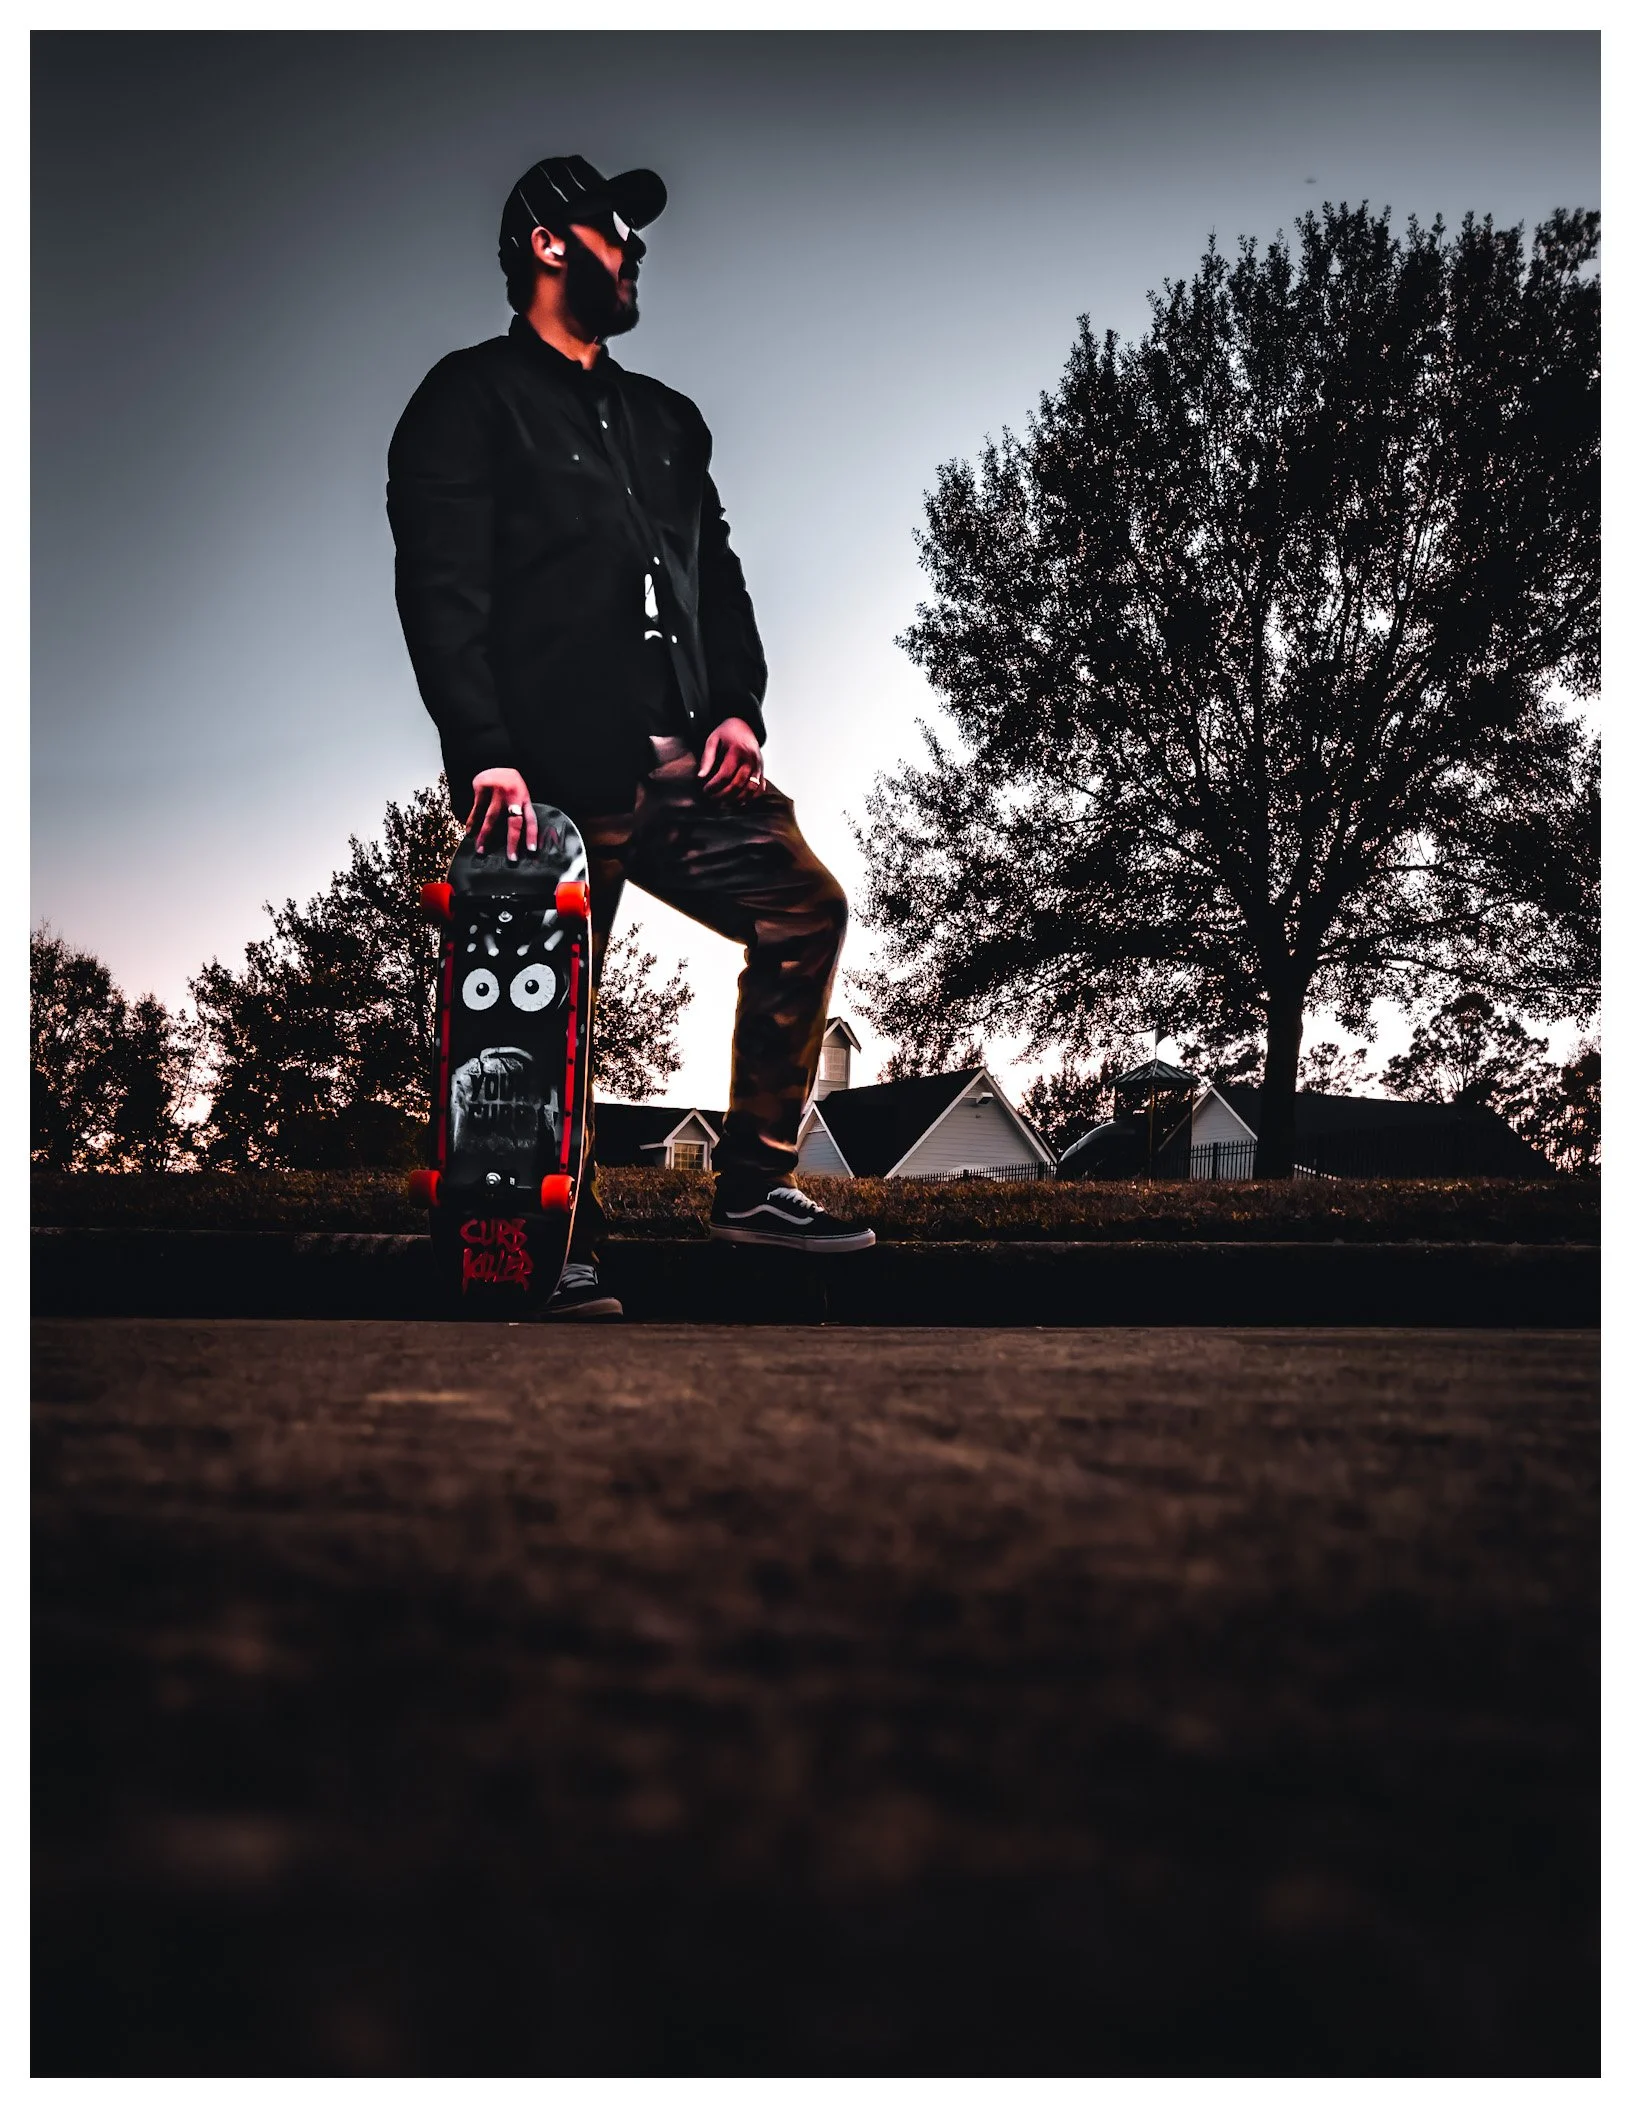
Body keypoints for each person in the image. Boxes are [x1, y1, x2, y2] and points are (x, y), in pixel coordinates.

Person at [388, 154, 875, 1317]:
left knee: (804, 908)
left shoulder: (667, 421)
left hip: (683, 765)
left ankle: (753, 1185)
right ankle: (555, 1243)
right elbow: (442, 587)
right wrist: (484, 749)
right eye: (616, 231)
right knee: (546, 1007)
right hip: (551, 775)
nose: (636, 249)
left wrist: (739, 710)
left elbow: (722, 585)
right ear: (550, 243)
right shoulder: (467, 398)